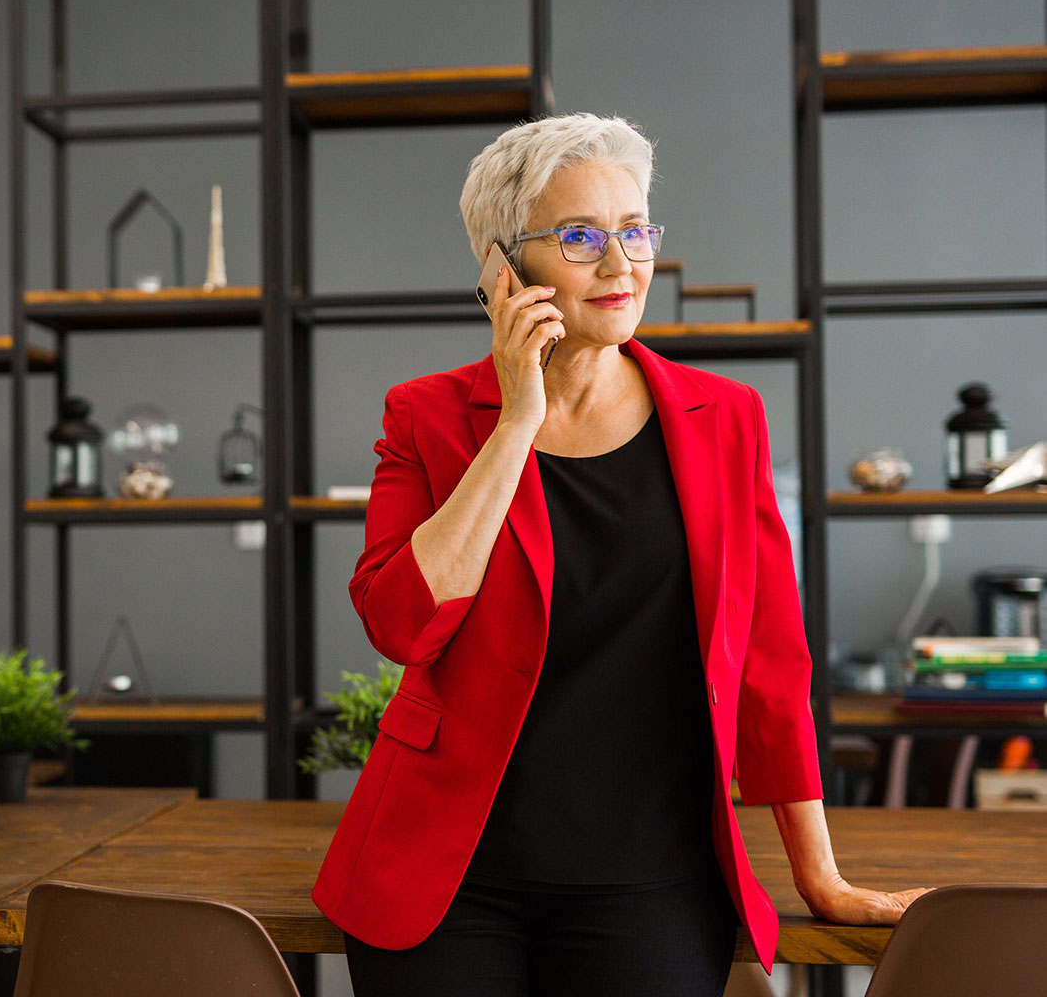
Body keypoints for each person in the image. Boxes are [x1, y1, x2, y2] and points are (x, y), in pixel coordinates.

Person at [312, 113, 927, 997]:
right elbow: (402, 626)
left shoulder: (727, 419)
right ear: (502, 266)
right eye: (579, 237)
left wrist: (818, 875)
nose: (621, 262)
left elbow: (771, 665)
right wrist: (517, 422)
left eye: (634, 230)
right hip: (448, 874)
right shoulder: (428, 417)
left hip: (651, 875)